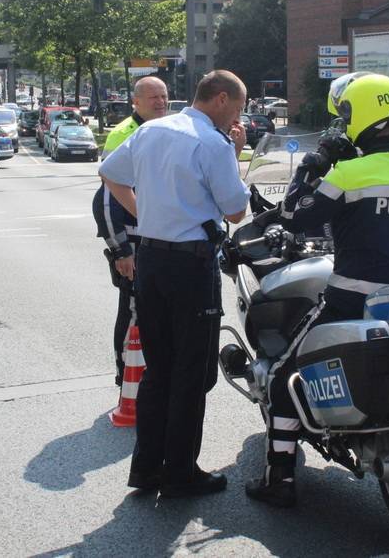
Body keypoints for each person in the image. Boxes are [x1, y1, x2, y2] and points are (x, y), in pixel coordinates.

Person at [245, 72, 389, 508]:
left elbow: (295, 215)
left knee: (281, 377)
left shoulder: (352, 173)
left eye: (345, 115)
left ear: (361, 115)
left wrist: (315, 164)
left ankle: (279, 480)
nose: (341, 124)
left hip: (352, 297)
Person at [100, 70, 249, 498]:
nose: (236, 118)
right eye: (236, 109)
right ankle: (181, 471)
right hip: (190, 266)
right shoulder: (213, 142)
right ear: (220, 100)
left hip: (151, 261)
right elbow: (236, 211)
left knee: (157, 370)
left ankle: (146, 469)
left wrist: (143, 209)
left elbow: (110, 174)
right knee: (192, 373)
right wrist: (235, 153)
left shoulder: (154, 130)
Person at [92, 76, 169, 386]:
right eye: (153, 97)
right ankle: (125, 376)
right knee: (132, 311)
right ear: (136, 102)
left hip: (159, 239)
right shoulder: (123, 135)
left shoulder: (166, 129)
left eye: (164, 96)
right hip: (134, 243)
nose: (161, 102)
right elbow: (106, 200)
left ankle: (152, 374)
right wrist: (120, 249)